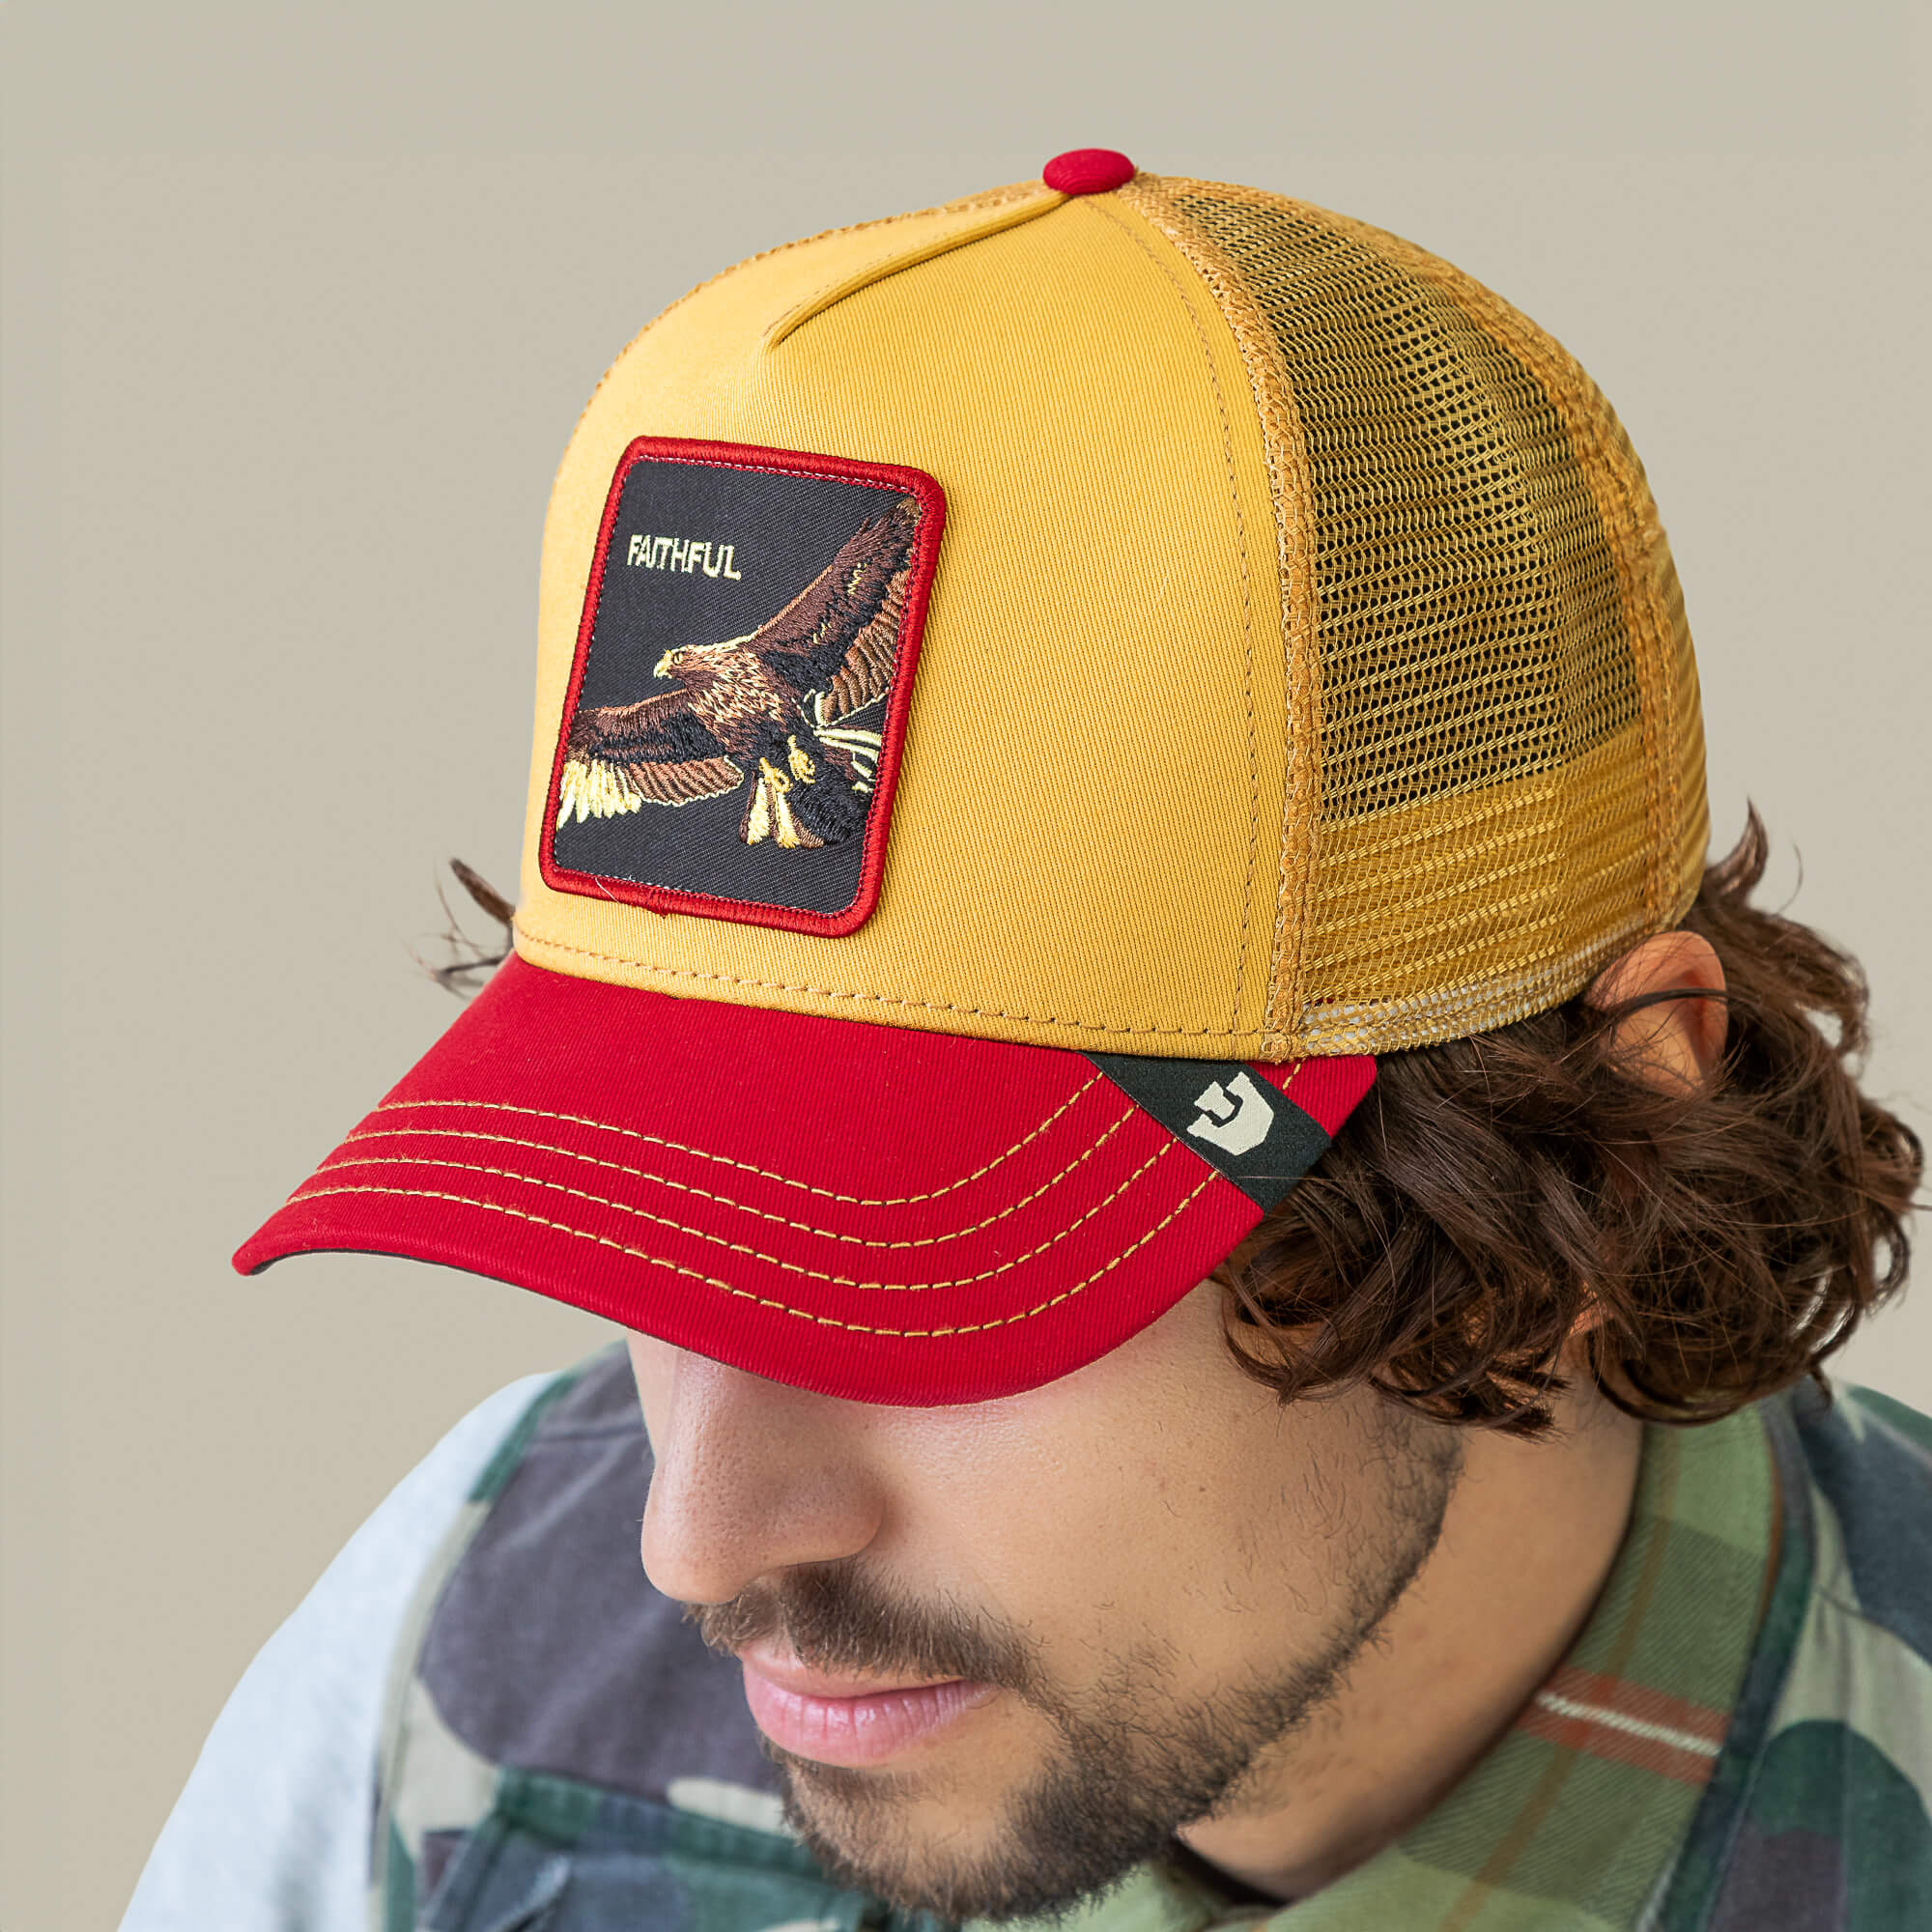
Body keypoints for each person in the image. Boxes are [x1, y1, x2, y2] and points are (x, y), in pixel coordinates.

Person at [123, 149, 1930, 1931]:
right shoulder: (461, 1637)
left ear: (1601, 1148)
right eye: (665, 1230)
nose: (694, 1539)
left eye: (935, 1285)